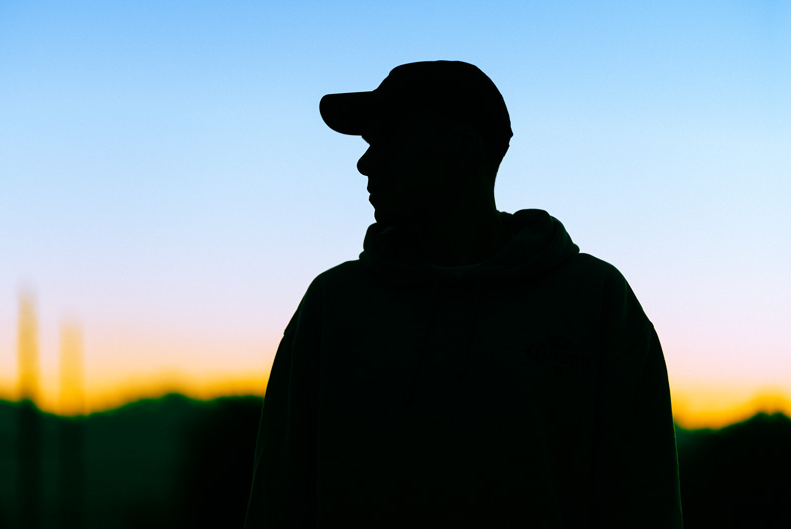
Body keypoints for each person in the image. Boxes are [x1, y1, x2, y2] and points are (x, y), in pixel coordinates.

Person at [244, 60, 683, 528]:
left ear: (464, 146)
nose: (364, 162)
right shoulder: (334, 305)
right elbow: (277, 500)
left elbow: (646, 501)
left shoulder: (595, 301)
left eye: (388, 137)